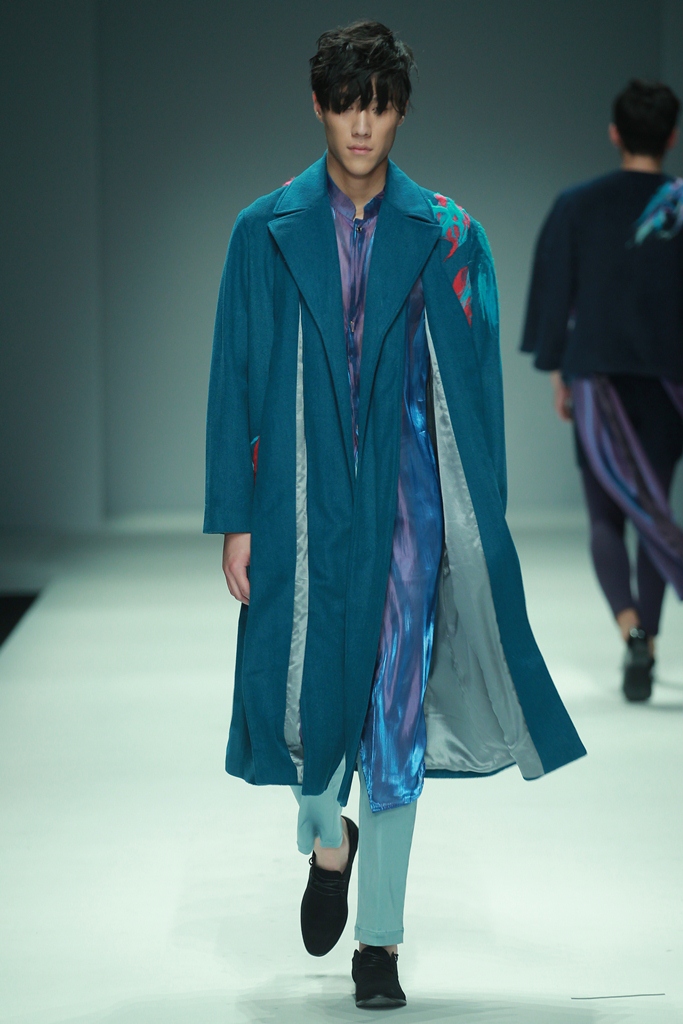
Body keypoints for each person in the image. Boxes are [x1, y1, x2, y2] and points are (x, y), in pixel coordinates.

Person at [205, 20, 585, 1009]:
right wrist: (235, 516)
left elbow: (476, 394)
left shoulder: (451, 234)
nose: (361, 124)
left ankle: (378, 939)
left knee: (393, 717)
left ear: (400, 110)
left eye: (377, 104)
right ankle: (326, 838)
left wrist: (475, 523)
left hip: (410, 501)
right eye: (345, 103)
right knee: (302, 695)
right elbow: (235, 376)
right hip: (301, 499)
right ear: (318, 105)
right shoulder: (263, 229)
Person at [521, 80, 683, 704]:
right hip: (668, 383)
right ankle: (650, 640)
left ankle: (632, 632)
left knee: (605, 519)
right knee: (655, 513)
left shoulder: (577, 205)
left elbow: (554, 293)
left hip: (597, 380)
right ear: (671, 137)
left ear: (615, 133)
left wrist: (559, 371)